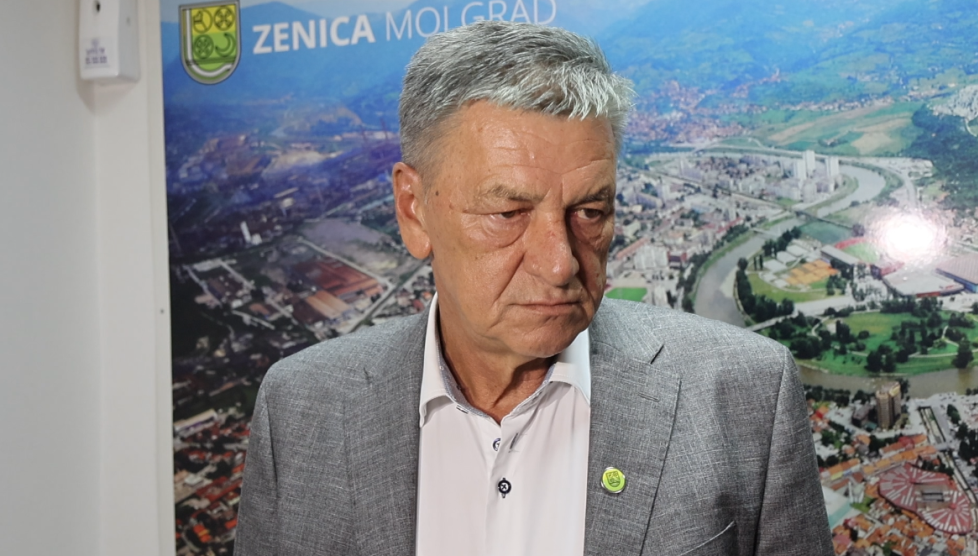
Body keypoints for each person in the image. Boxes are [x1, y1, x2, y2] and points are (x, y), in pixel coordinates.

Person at [234, 20, 832, 556]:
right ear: (414, 210)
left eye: (590, 211)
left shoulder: (745, 396)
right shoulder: (300, 409)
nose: (560, 263)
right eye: (508, 213)